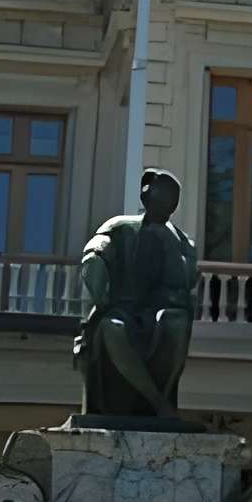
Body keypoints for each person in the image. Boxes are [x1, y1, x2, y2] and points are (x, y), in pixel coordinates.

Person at [74, 169, 197, 421]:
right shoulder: (120, 227)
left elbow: (186, 282)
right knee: (113, 327)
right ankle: (157, 403)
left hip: (157, 312)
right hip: (120, 309)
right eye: (160, 198)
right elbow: (97, 249)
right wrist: (96, 264)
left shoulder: (181, 242)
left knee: (177, 323)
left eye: (170, 201)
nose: (164, 206)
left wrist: (174, 253)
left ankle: (160, 400)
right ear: (146, 198)